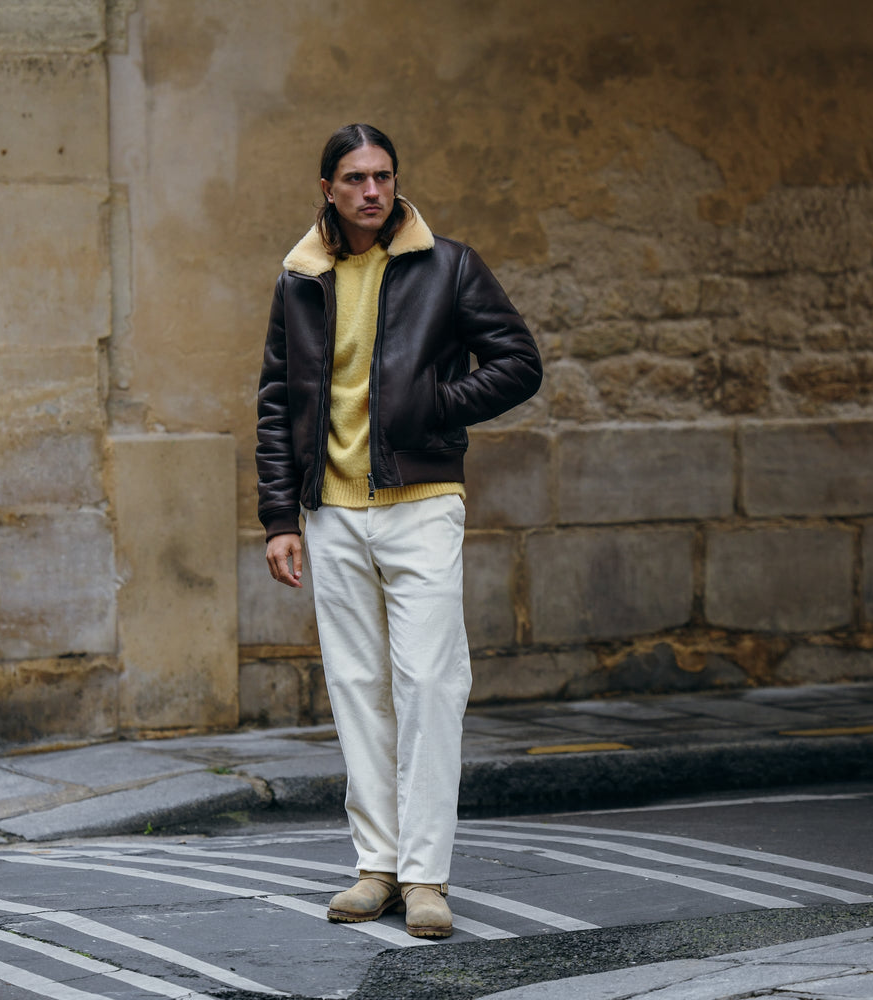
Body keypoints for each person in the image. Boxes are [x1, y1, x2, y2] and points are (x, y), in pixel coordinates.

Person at [256, 124, 542, 938]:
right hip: (333, 511)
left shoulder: (448, 264)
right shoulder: (301, 277)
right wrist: (282, 516)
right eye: (355, 179)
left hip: (420, 503)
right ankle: (375, 869)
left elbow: (518, 361)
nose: (373, 191)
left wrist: (434, 405)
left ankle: (426, 879)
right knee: (357, 691)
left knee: (429, 685)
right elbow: (278, 401)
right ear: (329, 189)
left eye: (383, 176)